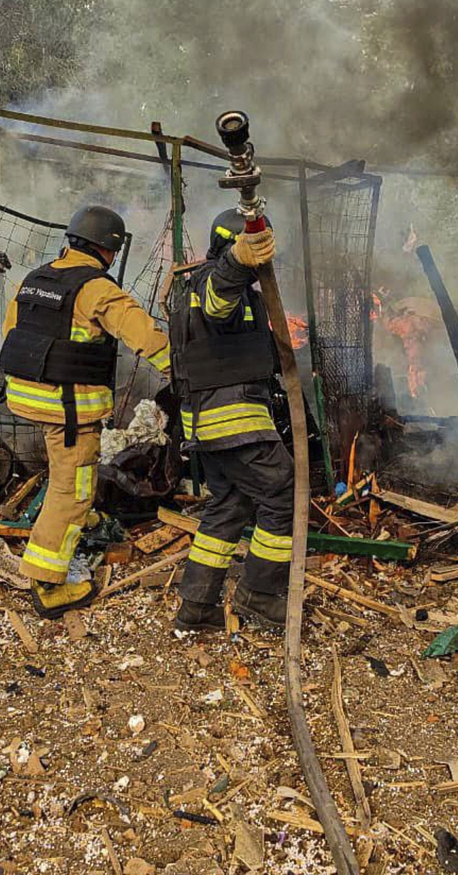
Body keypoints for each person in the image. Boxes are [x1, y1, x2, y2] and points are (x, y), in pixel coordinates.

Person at [0, 203, 170, 617]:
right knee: (71, 488)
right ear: (108, 249)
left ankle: (82, 519)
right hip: (68, 408)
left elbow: (11, 335)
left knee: (68, 474)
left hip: (26, 395)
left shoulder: (36, 279)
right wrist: (184, 371)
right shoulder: (96, 288)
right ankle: (48, 583)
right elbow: (143, 335)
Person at [170, 208, 292, 631]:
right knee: (284, 492)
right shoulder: (213, 282)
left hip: (209, 423)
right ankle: (259, 595)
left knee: (230, 504)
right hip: (233, 418)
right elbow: (220, 299)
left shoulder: (193, 289)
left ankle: (196, 606)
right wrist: (239, 260)